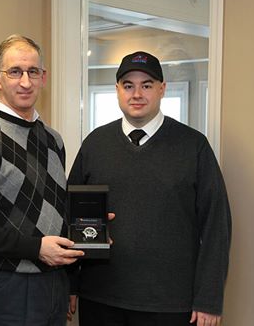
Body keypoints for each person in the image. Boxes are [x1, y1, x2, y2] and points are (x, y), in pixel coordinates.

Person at [67, 51, 232, 326]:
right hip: (100, 298)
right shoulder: (95, 144)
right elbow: (73, 215)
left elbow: (217, 226)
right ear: (117, 90)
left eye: (147, 85)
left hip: (170, 304)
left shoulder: (193, 147)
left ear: (162, 89)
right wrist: (71, 283)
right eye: (128, 85)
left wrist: (209, 298)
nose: (137, 94)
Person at [0, 34, 84, 326]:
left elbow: (56, 214)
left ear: (43, 77)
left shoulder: (53, 140)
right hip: (3, 288)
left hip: (53, 285)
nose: (25, 82)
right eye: (15, 72)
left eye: (33, 72)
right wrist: (35, 248)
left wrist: (89, 235)